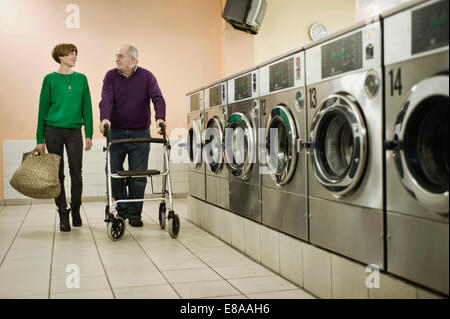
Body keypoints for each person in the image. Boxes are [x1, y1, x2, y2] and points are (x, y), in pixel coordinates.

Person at [99, 45, 166, 227]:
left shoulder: (147, 76)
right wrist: (105, 119)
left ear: (133, 60)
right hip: (117, 132)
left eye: (120, 56)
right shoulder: (110, 76)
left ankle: (135, 214)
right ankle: (122, 210)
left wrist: (160, 119)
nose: (117, 59)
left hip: (140, 133)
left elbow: (158, 98)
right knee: (114, 172)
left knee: (138, 176)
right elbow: (106, 98)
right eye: (117, 56)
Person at [34, 43, 93, 232]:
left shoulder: (81, 79)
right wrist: (39, 140)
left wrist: (89, 134)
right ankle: (63, 212)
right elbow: (42, 110)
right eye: (70, 54)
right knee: (57, 174)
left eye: (75, 53)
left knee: (77, 173)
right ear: (60, 57)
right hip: (52, 131)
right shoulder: (49, 79)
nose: (74, 56)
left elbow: (87, 107)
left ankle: (76, 209)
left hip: (75, 132)